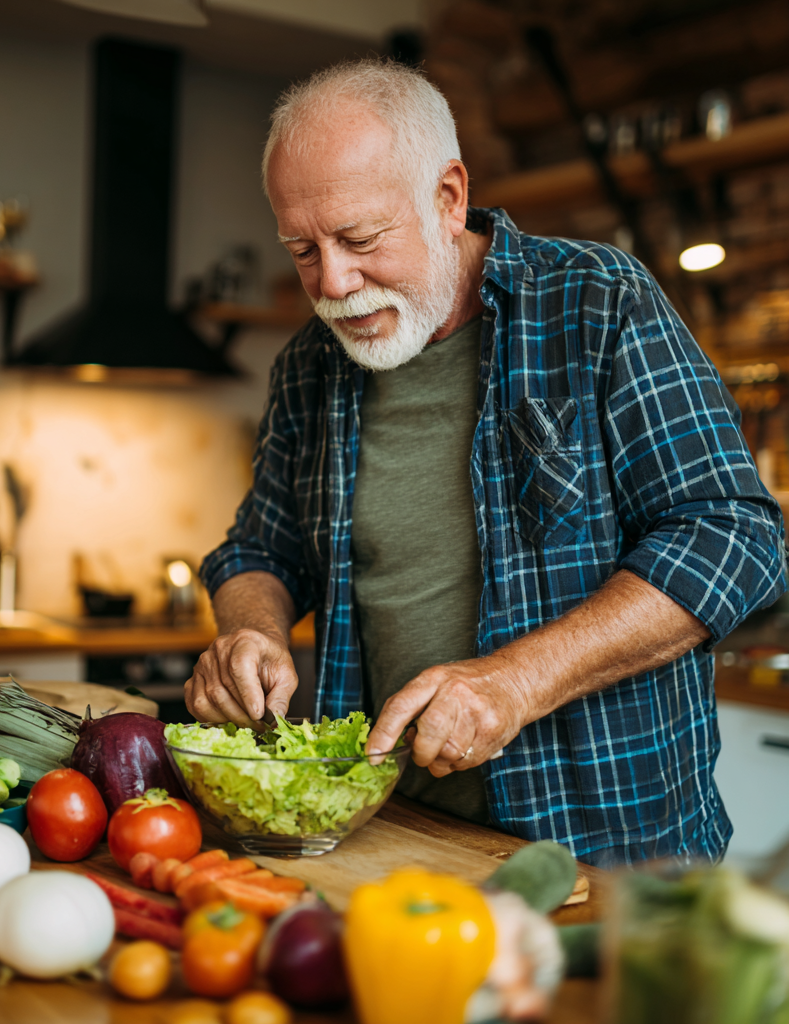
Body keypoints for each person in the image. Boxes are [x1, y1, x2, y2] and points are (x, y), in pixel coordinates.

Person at [185, 59, 786, 866]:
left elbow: (733, 536)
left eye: (361, 239)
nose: (332, 282)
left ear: (449, 196)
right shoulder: (309, 365)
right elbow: (260, 549)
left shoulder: (599, 301)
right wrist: (249, 632)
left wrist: (515, 681)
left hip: (608, 858)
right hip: (396, 838)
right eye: (302, 248)